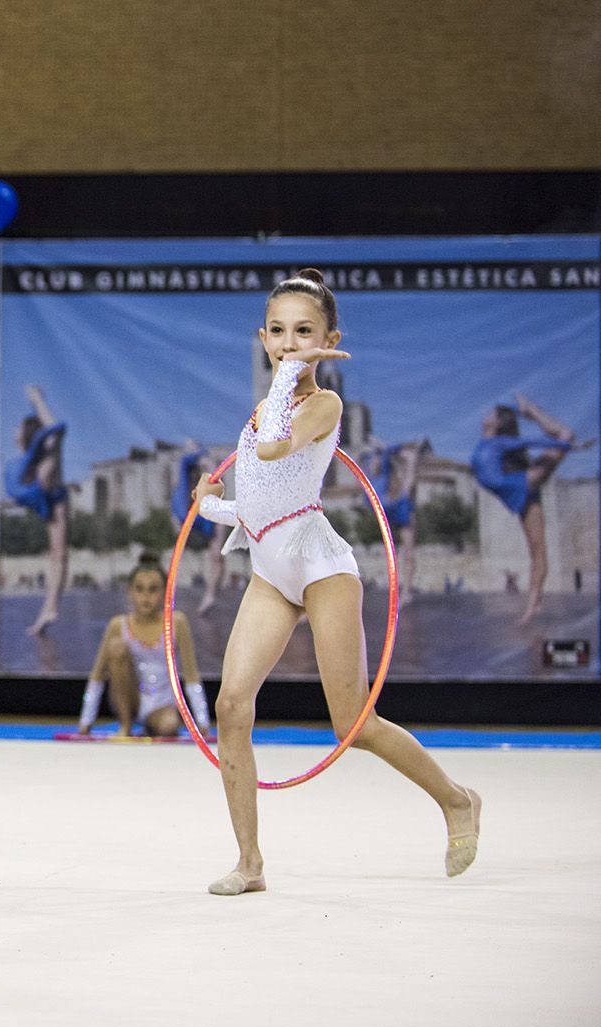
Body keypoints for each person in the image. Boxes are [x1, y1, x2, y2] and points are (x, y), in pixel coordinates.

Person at [194, 269, 480, 895]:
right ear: (261, 336)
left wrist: (285, 377)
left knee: (352, 723)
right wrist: (210, 502)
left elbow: (273, 454)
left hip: (320, 565)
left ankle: (457, 800)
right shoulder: (261, 411)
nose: (289, 343)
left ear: (330, 339)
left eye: (304, 332)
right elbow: (260, 501)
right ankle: (250, 863)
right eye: (277, 332)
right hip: (270, 567)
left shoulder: (323, 405)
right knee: (230, 705)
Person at [470, 395, 594, 625]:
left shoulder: (500, 441)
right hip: (517, 490)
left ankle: (531, 606)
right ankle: (535, 604)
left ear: (498, 423)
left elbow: (531, 442)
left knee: (566, 434)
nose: (485, 416)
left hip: (522, 483)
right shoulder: (485, 443)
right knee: (536, 550)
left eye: (491, 414)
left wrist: (569, 446)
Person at [77, 553, 210, 738]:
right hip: (130, 699)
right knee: (117, 647)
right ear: (130, 592)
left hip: (162, 703)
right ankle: (126, 725)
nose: (146, 596)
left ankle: (151, 724)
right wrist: (85, 723)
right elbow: (98, 674)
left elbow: (191, 674)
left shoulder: (176, 622)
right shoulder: (118, 625)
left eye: (153, 589)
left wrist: (202, 724)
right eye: (139, 589)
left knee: (169, 726)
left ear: (165, 592)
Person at [3, 384, 69, 635]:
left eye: (18, 429)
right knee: (53, 555)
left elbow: (56, 428)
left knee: (59, 555)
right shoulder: (26, 457)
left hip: (57, 500)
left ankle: (50, 608)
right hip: (43, 500)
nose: (14, 432)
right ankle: (48, 608)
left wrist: (38, 400)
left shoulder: (49, 448)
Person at [360, 437, 426, 607]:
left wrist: (382, 446)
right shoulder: (366, 468)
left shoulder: (384, 465)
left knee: (408, 552)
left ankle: (407, 591)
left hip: (396, 506)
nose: (375, 463)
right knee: (392, 553)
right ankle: (400, 589)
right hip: (384, 508)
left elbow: (391, 448)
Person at [172, 441, 227, 615]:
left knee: (217, 556)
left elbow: (218, 479)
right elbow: (179, 496)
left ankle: (210, 595)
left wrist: (206, 462)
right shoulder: (185, 469)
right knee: (216, 557)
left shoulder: (205, 463)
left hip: (212, 512)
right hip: (196, 513)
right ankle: (211, 594)